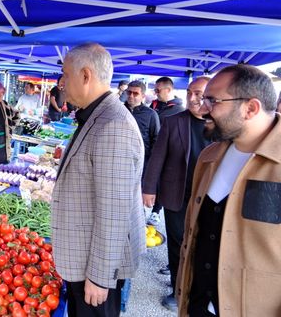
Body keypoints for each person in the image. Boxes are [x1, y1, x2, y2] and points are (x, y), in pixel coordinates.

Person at [177, 64, 281, 317]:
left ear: (251, 108)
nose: (202, 109)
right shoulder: (208, 157)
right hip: (198, 307)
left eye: (213, 101)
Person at [51, 43, 145, 317]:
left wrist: (100, 277)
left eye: (66, 75)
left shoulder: (113, 125)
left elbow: (114, 211)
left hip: (96, 269)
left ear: (86, 76)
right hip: (84, 256)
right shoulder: (97, 116)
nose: (62, 84)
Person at [142, 76, 211, 312]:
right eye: (190, 92)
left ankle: (198, 289)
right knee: (177, 243)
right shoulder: (173, 122)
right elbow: (157, 157)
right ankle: (177, 288)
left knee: (202, 245)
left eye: (199, 94)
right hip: (176, 195)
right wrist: (149, 188)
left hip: (209, 198)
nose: (193, 98)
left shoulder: (221, 125)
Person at [147, 76, 185, 226]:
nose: (155, 93)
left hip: (167, 152)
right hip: (151, 149)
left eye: (158, 90)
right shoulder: (154, 105)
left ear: (168, 90)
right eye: (155, 90)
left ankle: (156, 211)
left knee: (162, 180)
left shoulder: (179, 110)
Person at [124, 80, 160, 175]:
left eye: (135, 93)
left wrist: (151, 164)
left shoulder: (151, 114)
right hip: (120, 159)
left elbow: (156, 140)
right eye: (129, 92)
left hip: (142, 162)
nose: (131, 96)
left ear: (143, 96)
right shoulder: (119, 110)